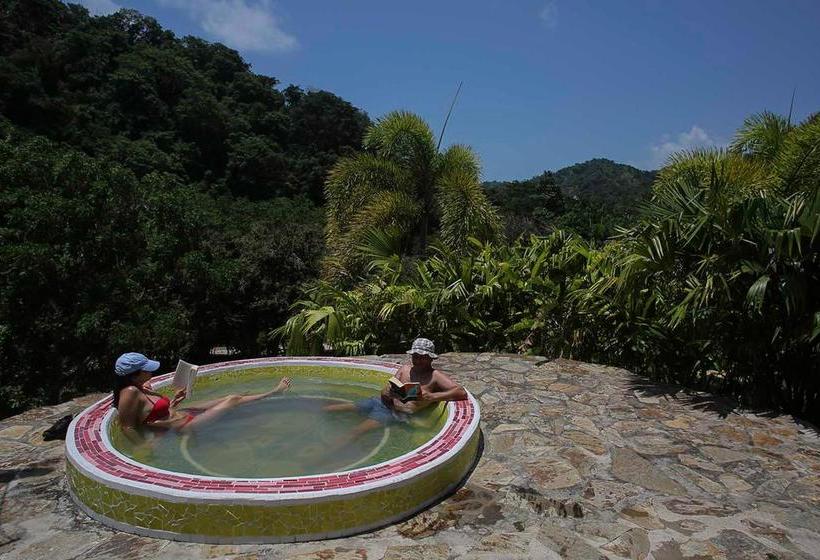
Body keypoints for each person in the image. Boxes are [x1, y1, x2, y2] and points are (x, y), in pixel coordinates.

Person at [112, 352, 291, 440]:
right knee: (232, 400)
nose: (151, 372)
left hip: (180, 413)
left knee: (231, 396)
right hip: (184, 426)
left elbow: (151, 413)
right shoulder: (130, 392)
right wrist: (142, 448)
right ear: (134, 374)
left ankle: (273, 392)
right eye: (146, 369)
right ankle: (274, 392)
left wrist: (173, 401)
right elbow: (127, 427)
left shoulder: (140, 387)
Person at [324, 338, 467, 442]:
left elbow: (460, 392)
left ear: (430, 358)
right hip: (379, 402)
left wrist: (432, 396)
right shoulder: (405, 369)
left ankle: (321, 457)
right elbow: (390, 386)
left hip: (393, 413)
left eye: (421, 358)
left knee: (355, 431)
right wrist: (387, 391)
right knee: (331, 409)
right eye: (415, 357)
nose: (417, 360)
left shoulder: (434, 376)